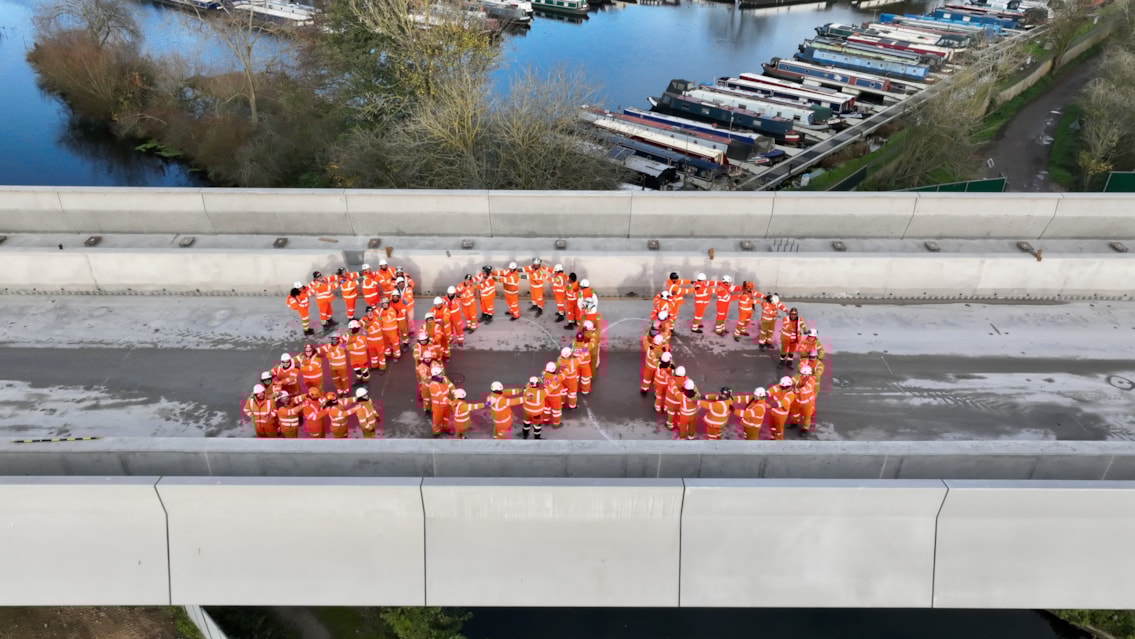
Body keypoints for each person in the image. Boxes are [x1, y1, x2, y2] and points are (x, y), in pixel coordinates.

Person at [428, 365, 456, 438]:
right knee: (437, 420)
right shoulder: (433, 385)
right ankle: (436, 432)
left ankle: (446, 428)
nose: (442, 375)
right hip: (438, 407)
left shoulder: (444, 378)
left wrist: (454, 393)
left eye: (441, 373)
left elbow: (451, 385)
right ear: (435, 376)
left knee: (446, 418)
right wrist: (451, 402)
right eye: (440, 374)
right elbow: (440, 396)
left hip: (447, 405)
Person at [766, 376, 796, 441]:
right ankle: (772, 437)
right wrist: (765, 394)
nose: (780, 387)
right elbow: (772, 390)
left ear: (787, 387)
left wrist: (771, 405)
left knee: (779, 429)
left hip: (781, 415)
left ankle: (779, 441)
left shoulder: (791, 395)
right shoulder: (780, 386)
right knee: (772, 426)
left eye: (782, 387)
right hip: (773, 411)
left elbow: (783, 402)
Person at [791, 365, 818, 436]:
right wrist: (788, 383)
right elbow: (793, 380)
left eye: (804, 374)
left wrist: (799, 390)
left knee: (806, 416)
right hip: (797, 400)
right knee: (794, 413)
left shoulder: (812, 380)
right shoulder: (798, 376)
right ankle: (794, 423)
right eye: (802, 374)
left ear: (809, 374)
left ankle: (805, 429)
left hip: (807, 402)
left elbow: (807, 387)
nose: (802, 375)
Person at [798, 328, 826, 392]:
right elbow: (801, 351)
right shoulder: (804, 342)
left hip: (814, 360)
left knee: (815, 380)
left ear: (815, 337)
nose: (811, 338)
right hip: (806, 360)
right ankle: (802, 389)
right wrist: (809, 355)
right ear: (808, 336)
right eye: (810, 336)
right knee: (803, 377)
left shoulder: (817, 343)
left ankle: (814, 391)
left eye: (813, 337)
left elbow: (821, 350)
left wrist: (819, 357)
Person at [345, 320, 371, 385]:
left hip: (361, 358)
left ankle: (366, 381)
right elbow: (344, 339)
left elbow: (354, 346)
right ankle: (359, 379)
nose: (350, 330)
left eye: (351, 329)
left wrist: (343, 346)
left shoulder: (362, 337)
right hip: (353, 358)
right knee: (356, 369)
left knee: (364, 371)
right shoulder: (350, 334)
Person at [664, 366, 689, 431]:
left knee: (670, 413)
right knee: (679, 414)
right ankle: (680, 424)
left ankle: (670, 425)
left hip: (671, 402)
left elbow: (666, 376)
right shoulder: (686, 381)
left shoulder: (671, 380)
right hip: (680, 403)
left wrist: (662, 370)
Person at [542, 362, 565, 429]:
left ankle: (546, 420)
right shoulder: (556, 378)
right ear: (554, 369)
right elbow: (560, 382)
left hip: (546, 395)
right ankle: (556, 424)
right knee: (556, 411)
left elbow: (544, 372)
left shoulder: (543, 374)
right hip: (555, 398)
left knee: (546, 409)